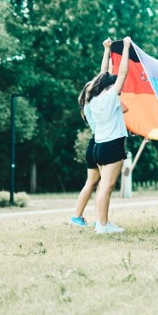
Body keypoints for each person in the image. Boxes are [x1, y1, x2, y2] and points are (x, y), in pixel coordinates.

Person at [86, 36, 131, 234]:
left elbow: (103, 74)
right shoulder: (111, 95)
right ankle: (102, 226)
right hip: (112, 146)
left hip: (99, 146)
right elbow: (122, 72)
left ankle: (102, 222)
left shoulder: (94, 98)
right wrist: (127, 46)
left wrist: (106, 50)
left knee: (105, 186)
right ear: (110, 86)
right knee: (106, 186)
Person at [70, 80, 101, 227]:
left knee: (93, 182)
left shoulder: (88, 105)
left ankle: (78, 216)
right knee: (101, 184)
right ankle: (99, 220)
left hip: (93, 143)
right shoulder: (95, 104)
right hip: (99, 142)